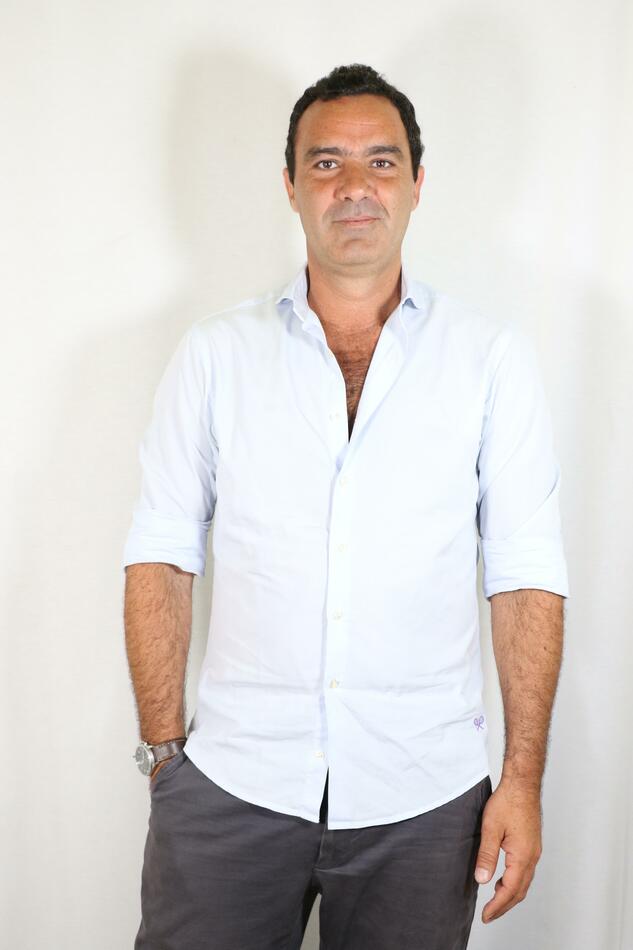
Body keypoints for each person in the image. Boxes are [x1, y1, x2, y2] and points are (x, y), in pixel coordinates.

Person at [122, 63, 569, 950]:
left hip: (424, 799)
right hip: (232, 786)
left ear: (416, 183)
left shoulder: (489, 360)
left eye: (380, 161)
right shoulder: (215, 355)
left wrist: (520, 780)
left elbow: (524, 576)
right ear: (290, 186)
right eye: (325, 163)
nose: (355, 186)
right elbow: (162, 555)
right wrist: (165, 758)